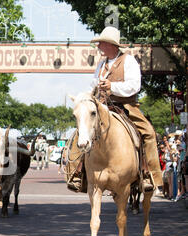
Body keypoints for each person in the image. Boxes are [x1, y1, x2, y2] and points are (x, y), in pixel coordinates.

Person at [66, 26, 162, 193]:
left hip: (125, 106)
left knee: (148, 133)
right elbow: (93, 85)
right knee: (80, 132)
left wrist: (112, 86)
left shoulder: (129, 61)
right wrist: (91, 92)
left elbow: (134, 86)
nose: (98, 47)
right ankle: (77, 173)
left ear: (111, 45)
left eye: (101, 43)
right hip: (102, 106)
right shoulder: (101, 65)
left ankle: (148, 174)